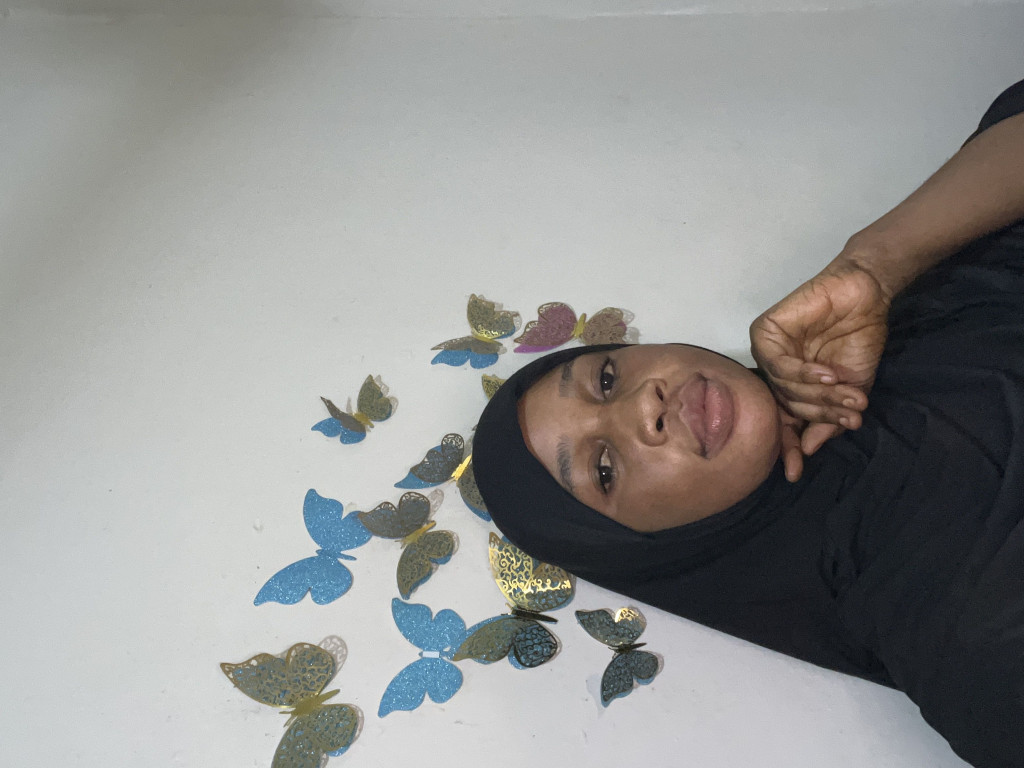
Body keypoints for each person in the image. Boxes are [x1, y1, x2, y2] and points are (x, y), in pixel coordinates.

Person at [472, 78, 1024, 768]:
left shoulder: (910, 309)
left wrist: (876, 265)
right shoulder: (944, 615)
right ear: (659, 548)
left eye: (606, 379)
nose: (643, 407)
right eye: (603, 468)